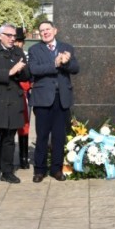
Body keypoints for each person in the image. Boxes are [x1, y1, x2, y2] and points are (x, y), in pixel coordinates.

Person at [28, 21, 80, 183]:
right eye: (42, 30)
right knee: (42, 136)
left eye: (48, 29)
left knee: (59, 136)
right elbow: (34, 69)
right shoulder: (34, 49)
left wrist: (66, 62)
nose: (45, 32)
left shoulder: (67, 47)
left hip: (62, 99)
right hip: (43, 99)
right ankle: (39, 170)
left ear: (55, 30)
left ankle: (56, 169)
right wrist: (55, 63)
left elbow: (76, 68)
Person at [0, 23, 30, 186]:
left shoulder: (18, 51)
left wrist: (21, 71)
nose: (12, 38)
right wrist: (9, 72)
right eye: (8, 35)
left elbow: (26, 74)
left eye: (14, 36)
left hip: (13, 100)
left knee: (9, 138)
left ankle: (7, 171)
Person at [13, 28, 32, 169]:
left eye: (20, 41)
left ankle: (24, 157)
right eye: (16, 41)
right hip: (10, 92)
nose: (18, 44)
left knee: (25, 125)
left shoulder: (27, 55)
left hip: (25, 92)